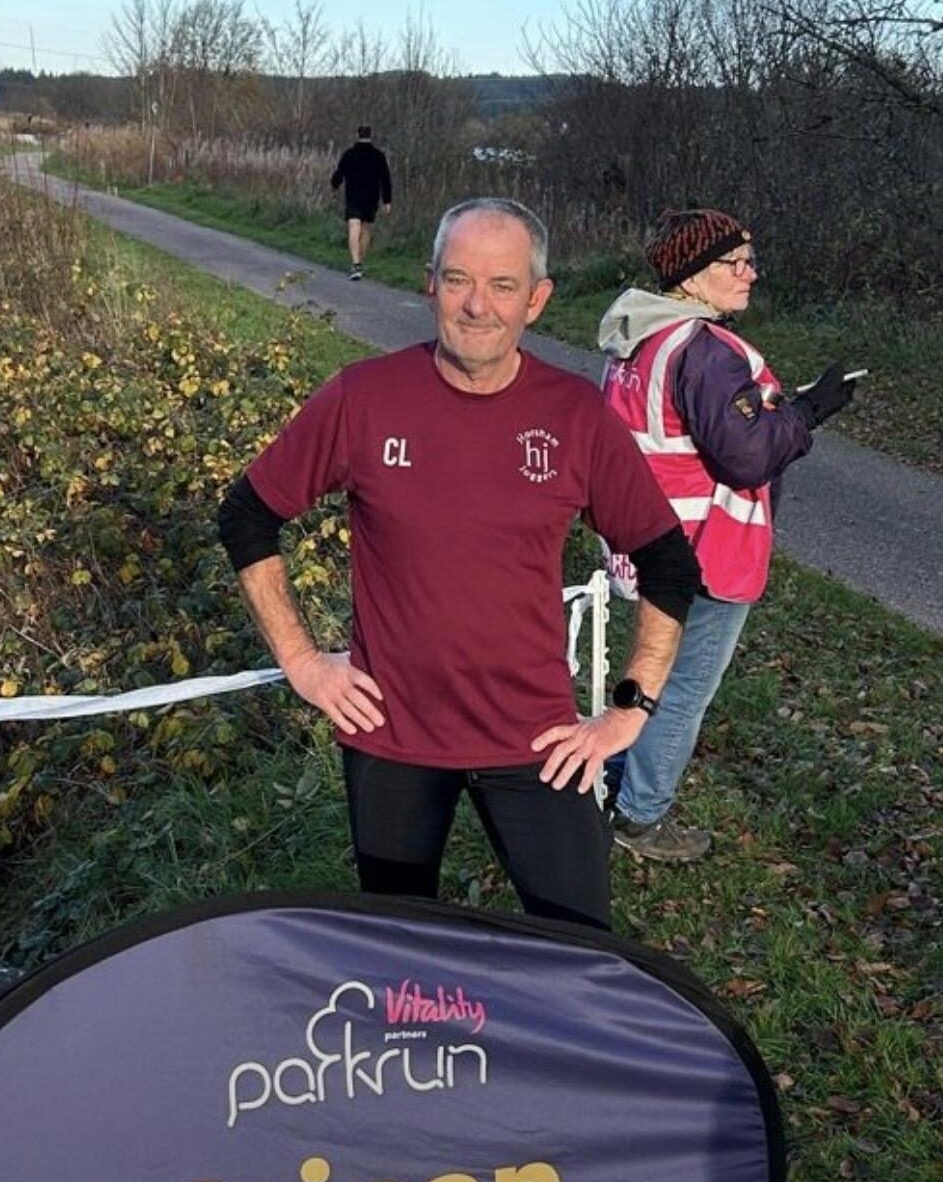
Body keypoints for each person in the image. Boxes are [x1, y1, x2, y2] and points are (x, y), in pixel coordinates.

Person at [218, 198, 700, 930]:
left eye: (503, 285)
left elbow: (668, 563)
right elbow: (247, 515)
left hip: (538, 739)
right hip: (393, 734)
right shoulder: (363, 398)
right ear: (428, 285)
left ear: (536, 300)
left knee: (583, 952)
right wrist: (302, 661)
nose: (478, 306)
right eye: (457, 280)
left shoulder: (573, 416)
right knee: (402, 952)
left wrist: (630, 709)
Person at [598, 207, 858, 862]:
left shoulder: (637, 338)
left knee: (649, 670)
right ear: (690, 276)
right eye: (734, 263)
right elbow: (745, 457)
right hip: (707, 548)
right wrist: (808, 412)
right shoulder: (706, 352)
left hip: (651, 541)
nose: (751, 274)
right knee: (683, 686)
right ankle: (640, 816)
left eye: (749, 260)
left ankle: (614, 784)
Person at [330, 125, 392, 280]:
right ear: (371, 136)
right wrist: (387, 200)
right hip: (371, 198)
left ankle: (355, 263)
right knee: (365, 229)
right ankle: (358, 264)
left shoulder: (349, 154)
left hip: (353, 196)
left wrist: (334, 186)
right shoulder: (379, 156)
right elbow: (386, 179)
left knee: (353, 227)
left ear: (357, 135)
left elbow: (339, 173)